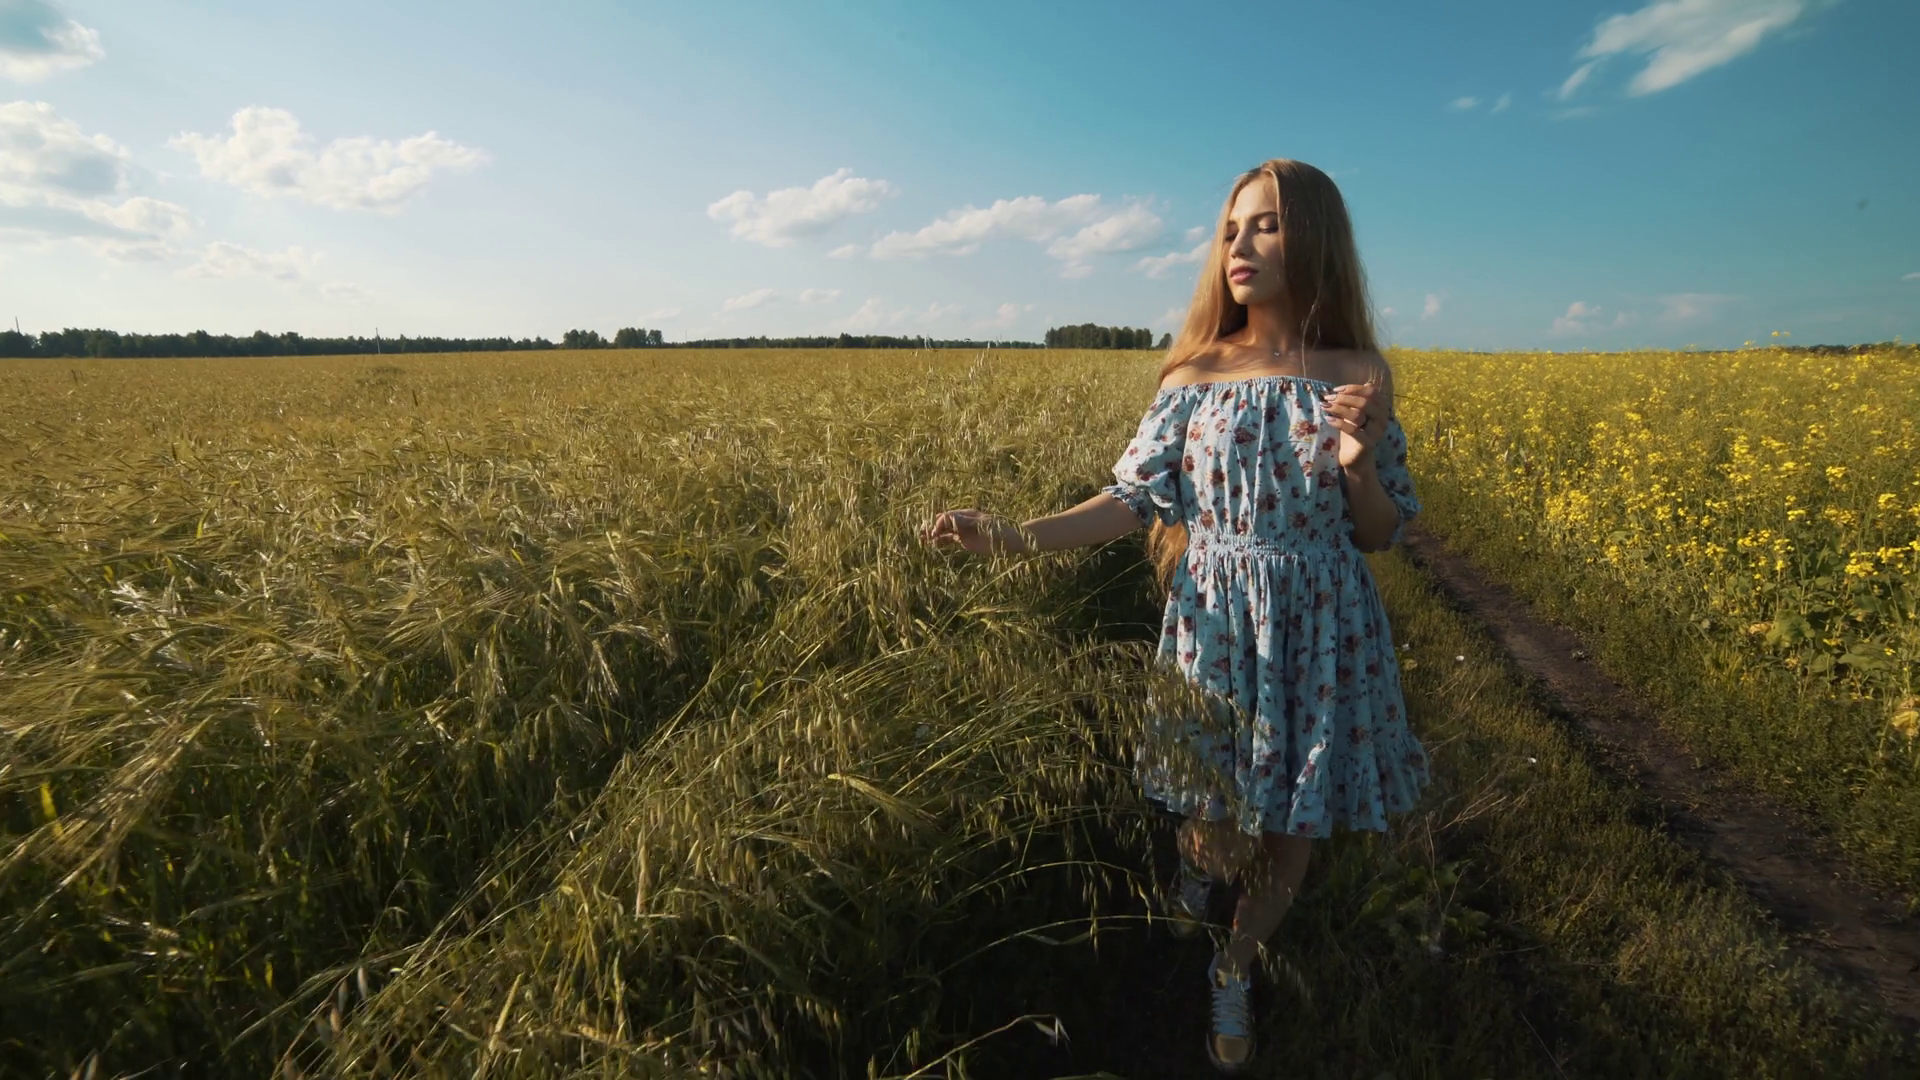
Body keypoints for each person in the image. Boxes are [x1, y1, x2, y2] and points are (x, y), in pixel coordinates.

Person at [917, 158, 1429, 1073]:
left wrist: (1358, 459)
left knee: (1293, 817)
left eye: (1266, 225)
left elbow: (1381, 533)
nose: (1241, 246)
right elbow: (1131, 501)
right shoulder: (1192, 371)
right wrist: (1010, 537)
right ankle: (1199, 873)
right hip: (1216, 617)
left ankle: (1233, 964)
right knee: (1210, 812)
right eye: (1233, 228)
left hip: (1319, 622)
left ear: (1313, 236)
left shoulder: (1358, 370)